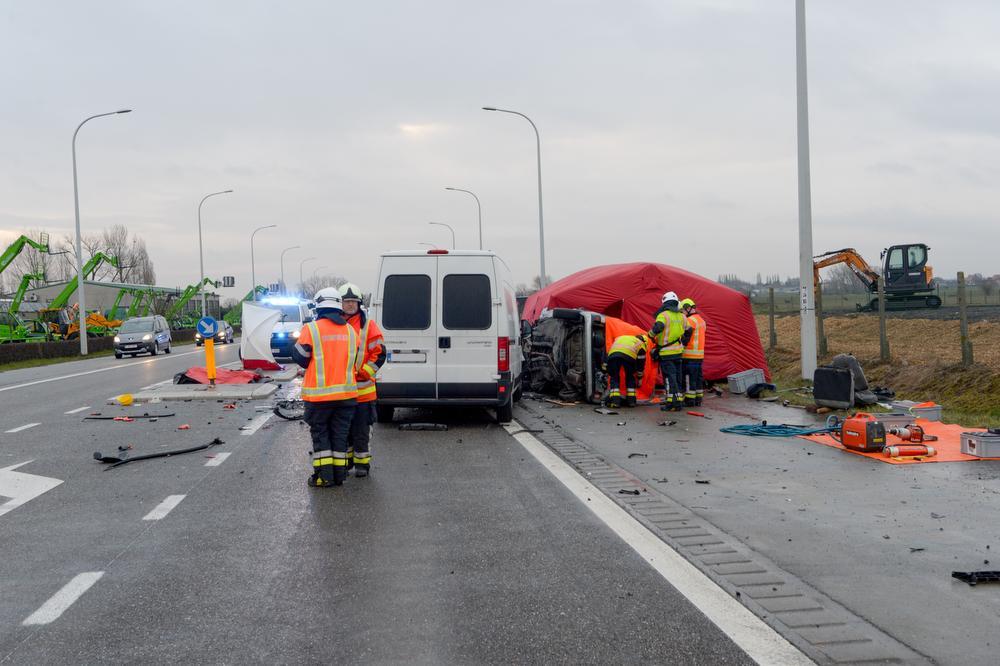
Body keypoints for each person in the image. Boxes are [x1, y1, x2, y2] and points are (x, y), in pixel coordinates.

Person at [291, 288, 361, 488]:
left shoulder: (312, 329)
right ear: (338, 306)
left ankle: (324, 477)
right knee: (339, 436)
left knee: (321, 437)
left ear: (318, 307)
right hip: (347, 396)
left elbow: (302, 359)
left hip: (319, 397)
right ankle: (339, 476)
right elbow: (354, 359)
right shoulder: (350, 330)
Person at [339, 282, 386, 478]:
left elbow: (380, 353)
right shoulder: (335, 324)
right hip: (340, 390)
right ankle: (347, 462)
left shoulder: (368, 326)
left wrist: (365, 372)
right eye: (346, 301)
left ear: (359, 304)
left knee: (361, 430)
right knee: (344, 430)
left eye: (353, 302)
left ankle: (362, 465)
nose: (350, 305)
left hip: (363, 391)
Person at [648, 291, 691, 412]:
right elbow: (689, 330)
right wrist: (684, 342)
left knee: (669, 378)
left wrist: (650, 334)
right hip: (678, 352)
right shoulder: (682, 316)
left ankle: (672, 403)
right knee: (677, 377)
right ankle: (675, 402)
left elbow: (659, 327)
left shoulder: (663, 315)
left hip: (666, 353)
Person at [605, 333, 648, 408]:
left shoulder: (622, 338)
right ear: (644, 341)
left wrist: (605, 366)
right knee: (630, 377)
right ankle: (631, 402)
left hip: (613, 356)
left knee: (614, 377)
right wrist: (639, 378)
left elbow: (609, 350)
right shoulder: (641, 344)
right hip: (629, 357)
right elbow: (640, 365)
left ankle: (615, 402)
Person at [680, 298, 707, 407]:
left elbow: (686, 337)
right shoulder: (702, 320)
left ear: (687, 308)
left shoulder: (690, 321)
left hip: (689, 355)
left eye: (682, 311)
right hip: (699, 355)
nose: (682, 313)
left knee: (688, 378)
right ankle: (698, 398)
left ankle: (690, 400)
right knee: (698, 377)